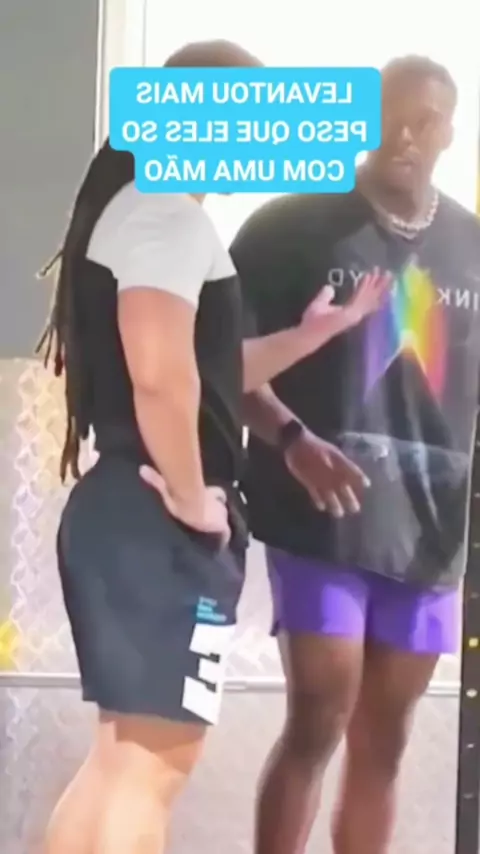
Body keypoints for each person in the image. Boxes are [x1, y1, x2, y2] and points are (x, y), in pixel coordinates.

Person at [37, 39, 386, 854]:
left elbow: (208, 374)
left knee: (124, 764)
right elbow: (162, 376)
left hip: (129, 513)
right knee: (148, 769)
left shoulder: (144, 211)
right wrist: (196, 498)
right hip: (156, 516)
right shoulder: (167, 214)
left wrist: (317, 332)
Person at [231, 54, 480, 854]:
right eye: (390, 116)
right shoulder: (286, 227)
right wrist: (290, 438)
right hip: (320, 517)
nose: (405, 136)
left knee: (386, 741)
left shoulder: (472, 243)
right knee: (319, 713)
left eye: (425, 121)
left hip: (431, 532)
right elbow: (220, 367)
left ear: (449, 132)